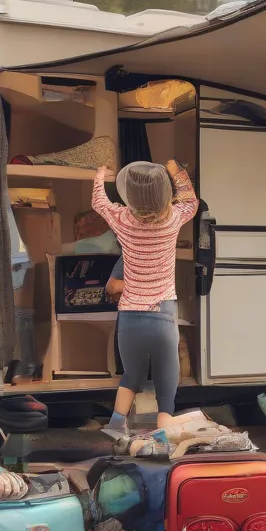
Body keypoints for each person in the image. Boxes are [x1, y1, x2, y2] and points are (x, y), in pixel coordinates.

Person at [93, 159, 198, 433]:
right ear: (164, 194)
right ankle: (165, 420)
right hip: (162, 313)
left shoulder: (122, 221)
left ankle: (116, 424)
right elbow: (191, 201)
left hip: (129, 316)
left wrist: (100, 174)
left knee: (131, 375)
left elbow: (99, 203)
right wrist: (177, 171)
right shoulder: (174, 219)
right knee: (166, 372)